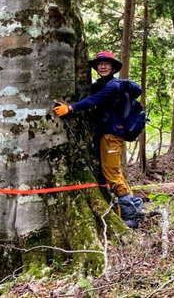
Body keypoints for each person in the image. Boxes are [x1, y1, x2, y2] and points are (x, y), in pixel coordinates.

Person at [53, 51, 144, 229]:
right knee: (114, 172)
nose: (102, 66)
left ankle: (131, 216)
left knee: (111, 173)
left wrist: (70, 108)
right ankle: (134, 207)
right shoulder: (102, 84)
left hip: (112, 135)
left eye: (106, 63)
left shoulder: (114, 86)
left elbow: (94, 99)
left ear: (113, 67)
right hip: (106, 134)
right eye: (100, 63)